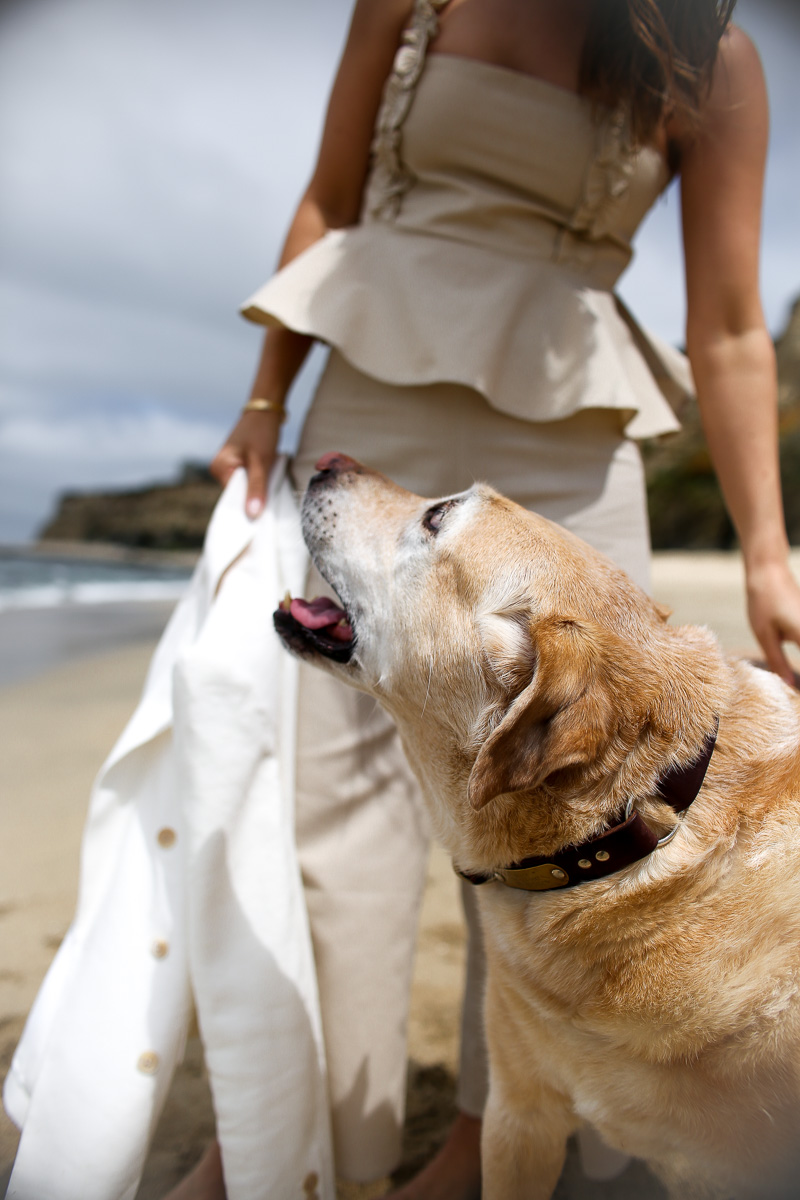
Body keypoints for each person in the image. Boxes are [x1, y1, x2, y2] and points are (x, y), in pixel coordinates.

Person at [173, 1, 800, 1196]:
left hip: (573, 436)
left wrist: (766, 550)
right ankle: (293, 1140)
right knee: (325, 804)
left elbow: (726, 327)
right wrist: (264, 398)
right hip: (378, 388)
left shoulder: (703, 54)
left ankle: (485, 1135)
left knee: (554, 810)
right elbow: (330, 200)